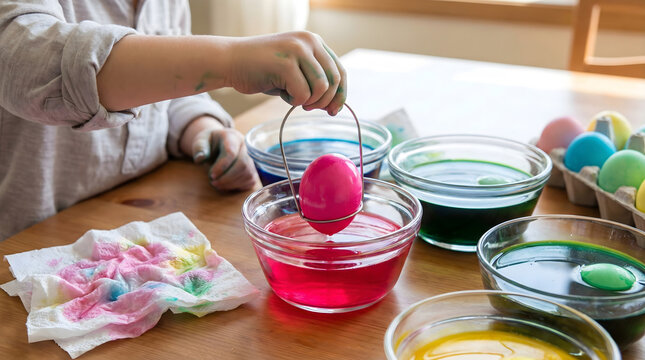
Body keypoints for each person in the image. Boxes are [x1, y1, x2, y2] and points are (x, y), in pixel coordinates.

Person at [0, 0, 347, 240]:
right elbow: (29, 65)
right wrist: (230, 59)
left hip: (136, 222)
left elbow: (170, 94)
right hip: (26, 243)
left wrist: (204, 129)